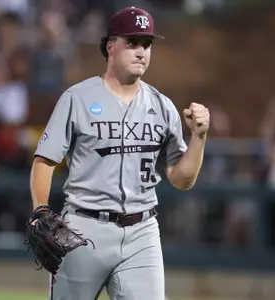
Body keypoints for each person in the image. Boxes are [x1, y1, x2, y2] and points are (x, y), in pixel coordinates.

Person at [29, 6, 210, 300]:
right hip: (84, 230)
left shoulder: (163, 106)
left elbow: (181, 179)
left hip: (143, 233)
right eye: (133, 43)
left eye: (147, 44)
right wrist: (40, 210)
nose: (142, 52)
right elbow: (44, 161)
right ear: (111, 46)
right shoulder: (78, 98)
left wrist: (199, 137)